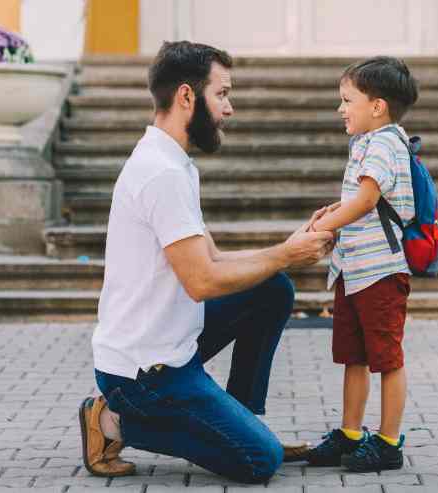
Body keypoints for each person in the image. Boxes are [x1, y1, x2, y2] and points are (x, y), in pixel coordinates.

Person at [78, 40, 335, 484]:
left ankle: (242, 417)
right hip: (143, 376)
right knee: (260, 461)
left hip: (169, 346)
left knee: (272, 288)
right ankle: (112, 422)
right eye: (222, 94)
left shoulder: (173, 164)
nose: (229, 109)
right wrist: (286, 255)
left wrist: (287, 250)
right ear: (186, 97)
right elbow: (202, 281)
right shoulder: (161, 173)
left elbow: (212, 258)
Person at [304, 56, 419, 472]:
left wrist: (320, 231)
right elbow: (363, 198)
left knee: (386, 358)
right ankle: (351, 433)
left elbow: (368, 200)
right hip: (353, 271)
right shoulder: (366, 143)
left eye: (346, 99)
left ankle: (388, 444)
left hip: (380, 273)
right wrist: (333, 210)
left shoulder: (387, 141)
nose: (341, 108)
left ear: (378, 106)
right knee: (353, 355)